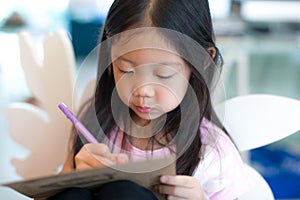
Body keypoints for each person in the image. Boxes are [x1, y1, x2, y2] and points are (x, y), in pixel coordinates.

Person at [48, 0, 253, 199]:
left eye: (163, 74)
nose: (142, 90)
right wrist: (74, 177)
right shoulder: (95, 121)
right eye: (126, 70)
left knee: (124, 193)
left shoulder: (213, 155)